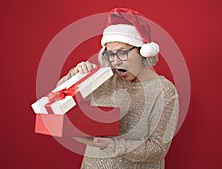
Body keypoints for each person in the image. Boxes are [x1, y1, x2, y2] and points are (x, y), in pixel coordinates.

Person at [57, 8, 179, 169]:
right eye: (110, 54)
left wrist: (110, 144)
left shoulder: (164, 91)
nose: (115, 62)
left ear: (143, 52)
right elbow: (59, 100)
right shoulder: (102, 79)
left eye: (122, 53)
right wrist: (75, 75)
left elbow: (157, 148)